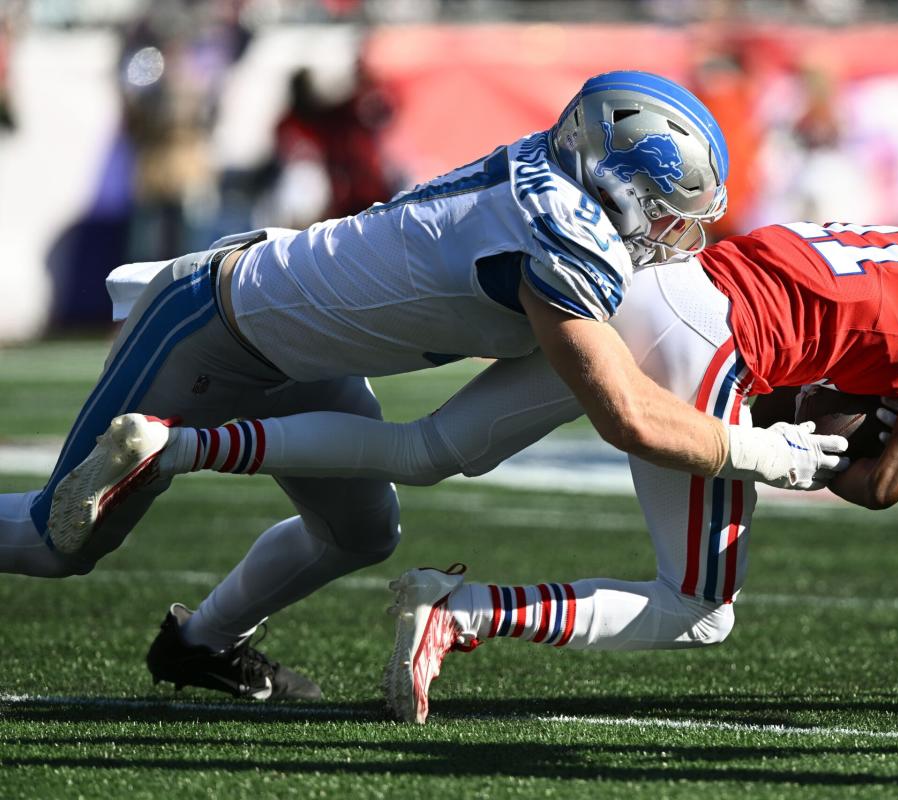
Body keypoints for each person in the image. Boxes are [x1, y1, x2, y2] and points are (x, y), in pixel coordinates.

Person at [70, 209, 898, 721]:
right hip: (713, 336)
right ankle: (461, 612)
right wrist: (822, 449)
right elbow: (879, 485)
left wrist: (821, 419)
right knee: (701, 604)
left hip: (656, 287)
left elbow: (817, 362)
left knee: (429, 449)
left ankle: (180, 443)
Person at [0, 71, 847, 700]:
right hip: (213, 326)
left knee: (361, 534)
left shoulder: (551, 175)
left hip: (300, 348)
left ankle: (201, 643)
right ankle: (176, 471)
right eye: (663, 205)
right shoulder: (566, 235)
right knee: (55, 543)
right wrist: (766, 453)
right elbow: (624, 414)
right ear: (610, 174)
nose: (674, 230)